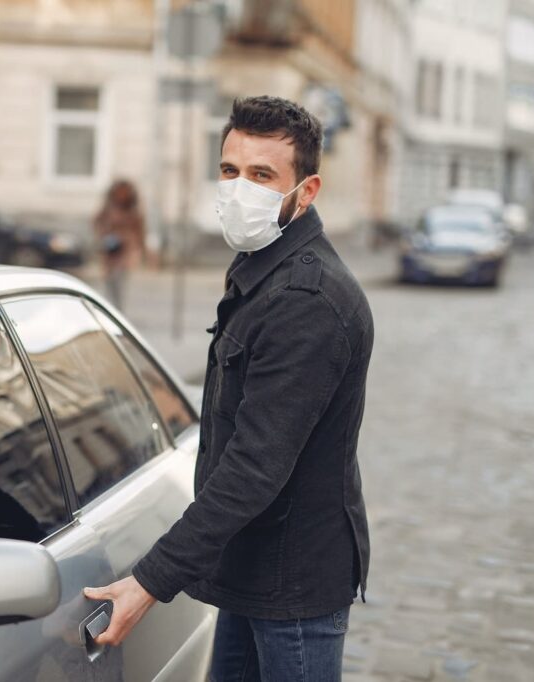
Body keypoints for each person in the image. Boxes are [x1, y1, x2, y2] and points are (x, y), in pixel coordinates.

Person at [84, 96, 373, 682]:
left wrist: (149, 582)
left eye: (262, 175)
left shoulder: (305, 301)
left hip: (292, 586)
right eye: (229, 171)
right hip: (249, 563)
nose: (239, 188)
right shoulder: (262, 269)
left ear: (306, 191)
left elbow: (254, 466)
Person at [93, 180, 145, 310]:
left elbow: (140, 232)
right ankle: (108, 309)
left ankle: (117, 310)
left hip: (125, 253)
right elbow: (97, 222)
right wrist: (104, 234)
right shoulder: (109, 209)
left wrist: (140, 250)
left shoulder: (133, 212)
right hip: (110, 251)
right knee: (109, 282)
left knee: (119, 282)